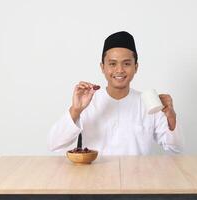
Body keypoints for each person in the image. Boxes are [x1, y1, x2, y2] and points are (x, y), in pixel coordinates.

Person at [48, 31, 183, 155]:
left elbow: (176, 149)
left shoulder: (149, 102)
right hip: (96, 178)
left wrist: (171, 116)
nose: (119, 70)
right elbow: (54, 144)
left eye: (126, 64)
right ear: (102, 67)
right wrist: (76, 110)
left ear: (136, 67)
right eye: (112, 64)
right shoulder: (88, 102)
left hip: (138, 178)